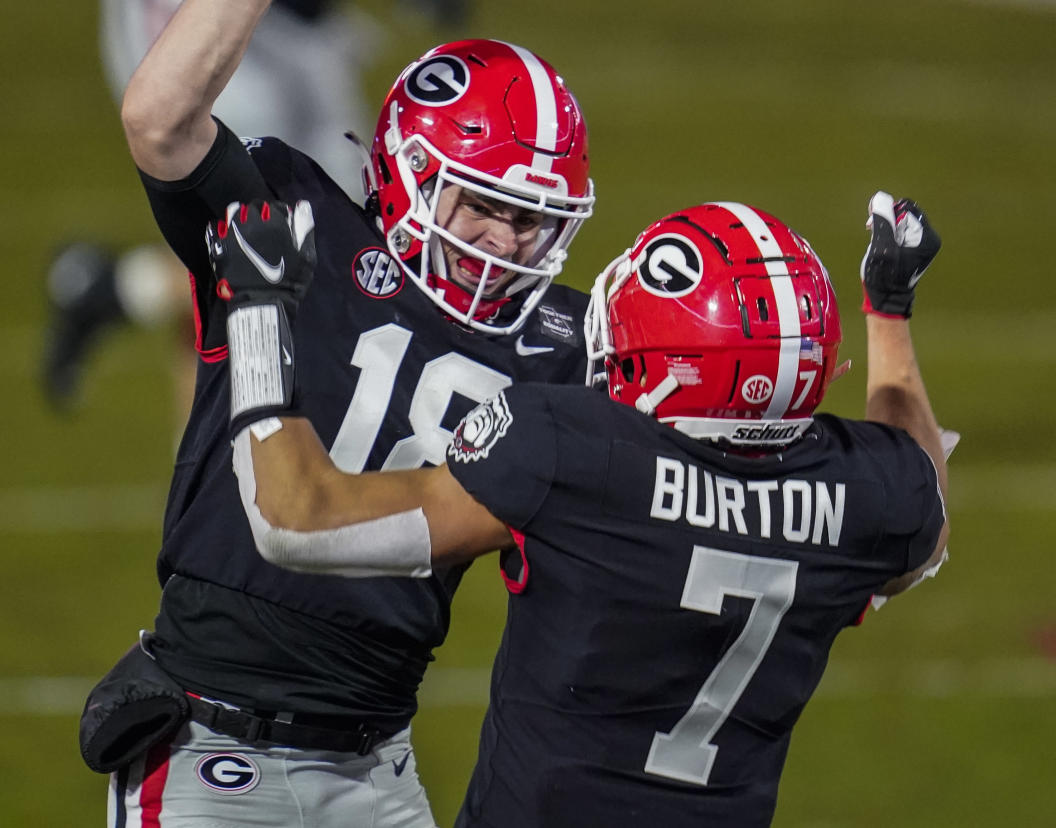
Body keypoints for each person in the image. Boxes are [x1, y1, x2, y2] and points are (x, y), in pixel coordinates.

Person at [216, 192, 950, 827]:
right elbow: (923, 507)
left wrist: (255, 306)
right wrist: (889, 311)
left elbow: (296, 516)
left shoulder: (577, 456)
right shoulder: (866, 497)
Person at [82, 1, 595, 824]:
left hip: (375, 766)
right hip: (208, 744)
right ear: (408, 173)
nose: (502, 243)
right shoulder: (296, 215)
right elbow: (159, 117)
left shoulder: (566, 344)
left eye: (529, 217)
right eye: (479, 205)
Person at [44, 0, 470, 414]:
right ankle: (119, 290)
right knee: (311, 247)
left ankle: (198, 465)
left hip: (294, 31)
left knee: (326, 236)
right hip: (208, 29)